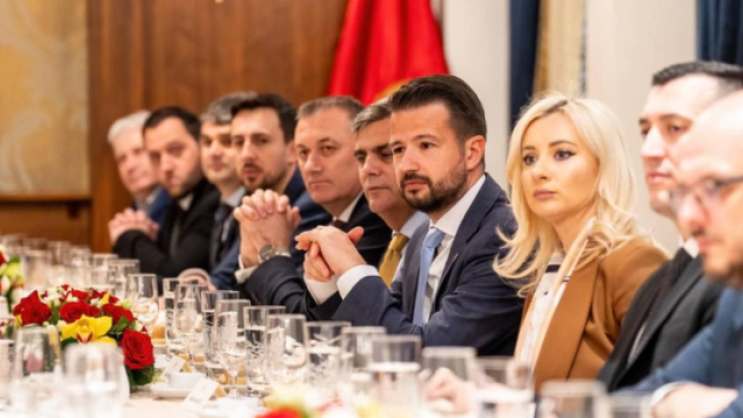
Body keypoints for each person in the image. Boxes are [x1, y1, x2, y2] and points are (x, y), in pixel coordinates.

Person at [426, 92, 666, 406]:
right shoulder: (546, 266)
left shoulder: (633, 261)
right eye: (529, 158)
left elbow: (653, 400)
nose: (539, 171)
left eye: (562, 154)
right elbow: (541, 392)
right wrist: (486, 392)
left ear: (603, 165)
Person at [294, 75, 524, 354]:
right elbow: (383, 332)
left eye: (425, 145)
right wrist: (329, 282)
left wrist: (354, 269)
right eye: (399, 150)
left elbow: (430, 353)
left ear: (472, 152)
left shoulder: (505, 236)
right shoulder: (422, 236)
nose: (406, 165)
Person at [598, 62, 742, 391]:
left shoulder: (726, 278)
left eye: (675, 128)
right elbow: (644, 392)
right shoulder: (662, 278)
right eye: (645, 131)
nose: (648, 150)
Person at [630, 91, 743, 418]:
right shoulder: (735, 301)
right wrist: (670, 401)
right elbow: (641, 395)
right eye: (683, 193)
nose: (688, 218)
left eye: (712, 187)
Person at [234, 96, 391, 312]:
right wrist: (252, 260)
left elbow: (302, 320)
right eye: (303, 153)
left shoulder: (376, 219)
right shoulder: (331, 218)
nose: (310, 166)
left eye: (327, 149)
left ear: (362, 151)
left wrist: (273, 253)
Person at [208, 93, 331, 290]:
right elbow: (225, 276)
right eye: (238, 142)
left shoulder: (311, 203)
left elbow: (280, 292)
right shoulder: (257, 197)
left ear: (292, 150)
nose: (246, 154)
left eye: (261, 141)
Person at [111, 107, 219, 282]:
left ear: (202, 145)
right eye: (155, 156)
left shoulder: (215, 199)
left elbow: (175, 278)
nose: (165, 166)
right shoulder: (178, 197)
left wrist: (129, 234)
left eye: (175, 150)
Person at [200, 93, 254, 271]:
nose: (214, 152)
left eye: (227, 141)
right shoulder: (214, 203)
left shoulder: (258, 203)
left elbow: (227, 277)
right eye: (207, 142)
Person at [107, 110, 170, 226]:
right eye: (122, 159)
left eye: (138, 152)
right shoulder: (131, 214)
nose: (130, 166)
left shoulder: (179, 205)